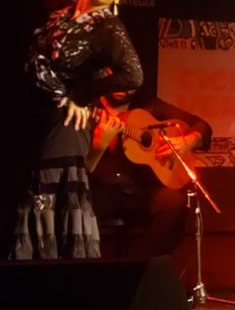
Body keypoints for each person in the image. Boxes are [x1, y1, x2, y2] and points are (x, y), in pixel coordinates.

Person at [14, 0, 143, 260]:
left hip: (67, 124)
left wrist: (79, 95)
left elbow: (133, 75)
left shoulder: (107, 27)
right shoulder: (61, 15)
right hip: (35, 117)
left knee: (49, 202)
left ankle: (62, 281)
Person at [88, 92, 213, 257]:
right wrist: (99, 144)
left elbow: (202, 127)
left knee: (174, 203)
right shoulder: (90, 109)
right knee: (79, 209)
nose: (123, 88)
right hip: (102, 191)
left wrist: (187, 141)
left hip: (140, 191)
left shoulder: (149, 106)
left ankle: (147, 266)